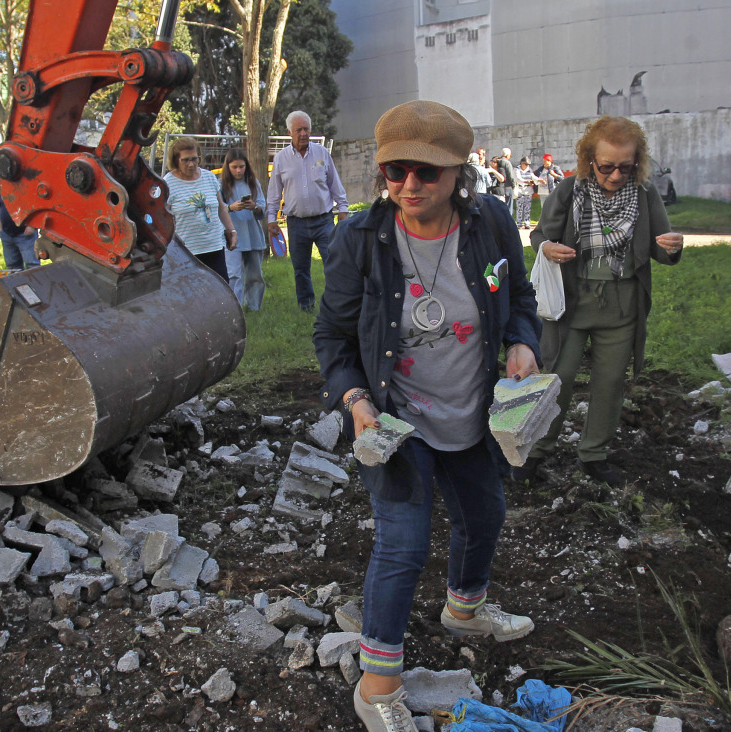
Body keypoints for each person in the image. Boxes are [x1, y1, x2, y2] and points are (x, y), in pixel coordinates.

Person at [313, 100, 542, 732]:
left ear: (458, 174)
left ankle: (464, 610)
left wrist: (522, 340)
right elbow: (331, 338)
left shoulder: (490, 223)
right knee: (403, 544)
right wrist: (357, 403)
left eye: (425, 173)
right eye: (394, 172)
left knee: (484, 513)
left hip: (472, 413)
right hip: (395, 418)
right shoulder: (359, 240)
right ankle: (377, 684)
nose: (408, 186)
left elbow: (519, 297)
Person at [516, 116, 684, 486]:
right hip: (572, 303)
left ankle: (594, 455)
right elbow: (540, 234)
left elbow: (661, 246)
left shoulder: (645, 194)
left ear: (637, 163)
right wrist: (546, 246)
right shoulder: (569, 190)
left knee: (609, 383)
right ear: (590, 159)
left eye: (625, 167)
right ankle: (536, 451)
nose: (615, 175)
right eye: (606, 166)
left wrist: (673, 247)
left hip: (622, 304)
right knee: (556, 377)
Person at [265, 110, 350, 312]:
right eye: (298, 130)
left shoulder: (322, 154)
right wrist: (271, 219)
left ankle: (336, 305)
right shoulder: (281, 159)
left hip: (324, 221)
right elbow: (274, 193)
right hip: (296, 224)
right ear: (289, 132)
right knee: (301, 269)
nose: (303, 133)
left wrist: (343, 209)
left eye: (306, 129)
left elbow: (335, 185)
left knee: (333, 264)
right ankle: (306, 306)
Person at [163, 137, 237, 280]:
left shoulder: (209, 177)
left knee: (220, 292)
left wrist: (232, 230)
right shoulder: (168, 183)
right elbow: (162, 219)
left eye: (194, 159)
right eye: (185, 160)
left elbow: (221, 209)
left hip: (214, 246)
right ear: (175, 160)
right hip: (186, 252)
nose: (191, 164)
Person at [219, 148, 268, 310]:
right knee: (233, 275)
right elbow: (217, 208)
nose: (238, 170)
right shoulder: (221, 185)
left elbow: (262, 204)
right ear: (228, 167)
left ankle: (254, 306)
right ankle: (235, 309)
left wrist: (254, 207)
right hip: (232, 236)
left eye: (241, 166)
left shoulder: (253, 183)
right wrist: (231, 207)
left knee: (255, 275)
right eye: (234, 167)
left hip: (252, 234)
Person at [0, 192, 40, 270]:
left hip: (25, 234)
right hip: (7, 234)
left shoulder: (25, 187)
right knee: (12, 267)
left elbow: (36, 205)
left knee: (32, 265)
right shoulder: (3, 190)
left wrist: (32, 226)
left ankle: (34, 282)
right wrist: (1, 229)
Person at [514, 156, 538, 229]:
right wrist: (526, 181)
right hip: (520, 190)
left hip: (528, 190)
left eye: (528, 164)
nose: (527, 166)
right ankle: (519, 223)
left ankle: (527, 223)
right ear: (522, 163)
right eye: (526, 164)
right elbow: (518, 179)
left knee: (527, 208)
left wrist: (539, 180)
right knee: (520, 208)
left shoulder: (529, 170)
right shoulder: (517, 169)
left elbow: (533, 177)